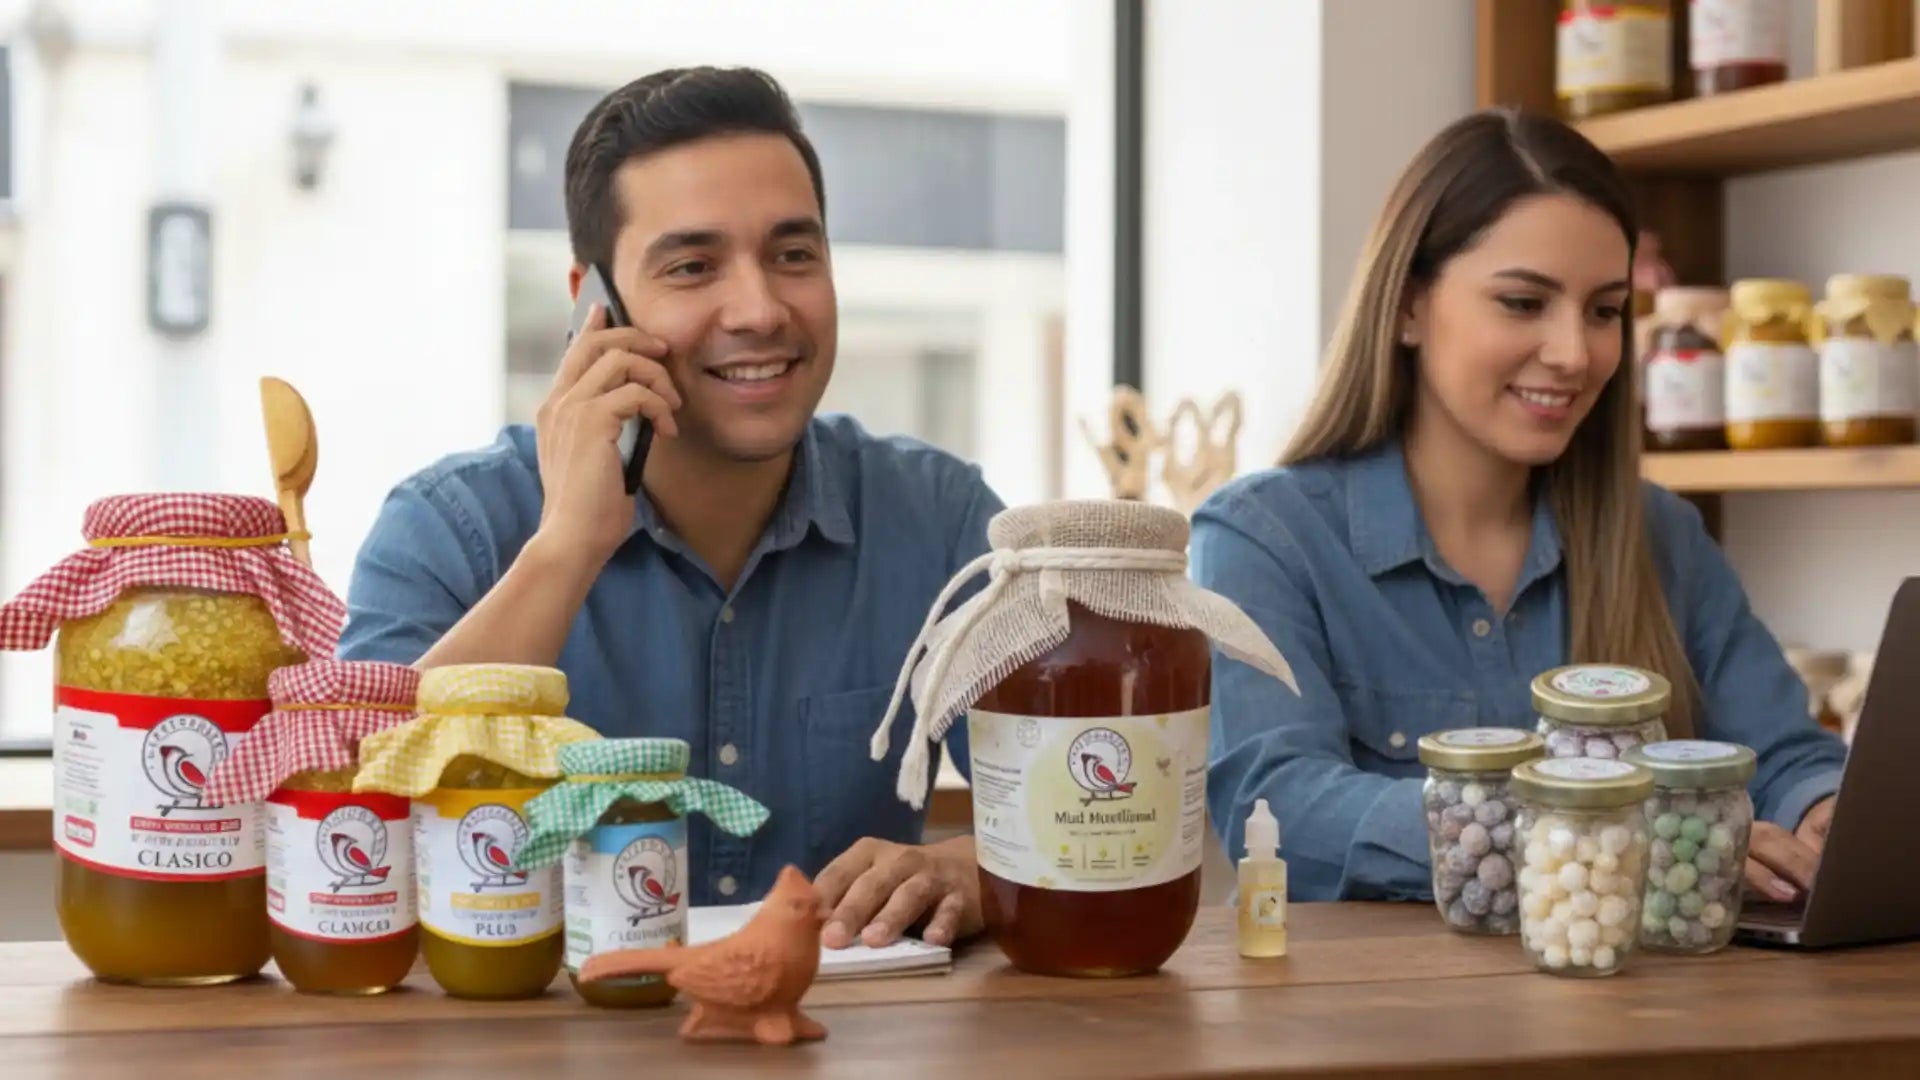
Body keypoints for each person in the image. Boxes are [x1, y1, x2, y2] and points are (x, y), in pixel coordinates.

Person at [339, 67, 993, 948]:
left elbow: (1084, 810)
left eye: (794, 255)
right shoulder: (446, 531)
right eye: (692, 266)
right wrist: (566, 548)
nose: (761, 309)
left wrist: (975, 867)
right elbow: (351, 846)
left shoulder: (941, 521)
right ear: (592, 308)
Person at [1195, 108, 1847, 904]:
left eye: (1604, 311)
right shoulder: (1263, 541)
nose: (1574, 353)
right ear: (1407, 306)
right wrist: (1601, 834)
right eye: (1523, 302)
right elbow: (1280, 809)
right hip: (1369, 1021)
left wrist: (1825, 814)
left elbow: (1786, 756)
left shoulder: (1663, 537)